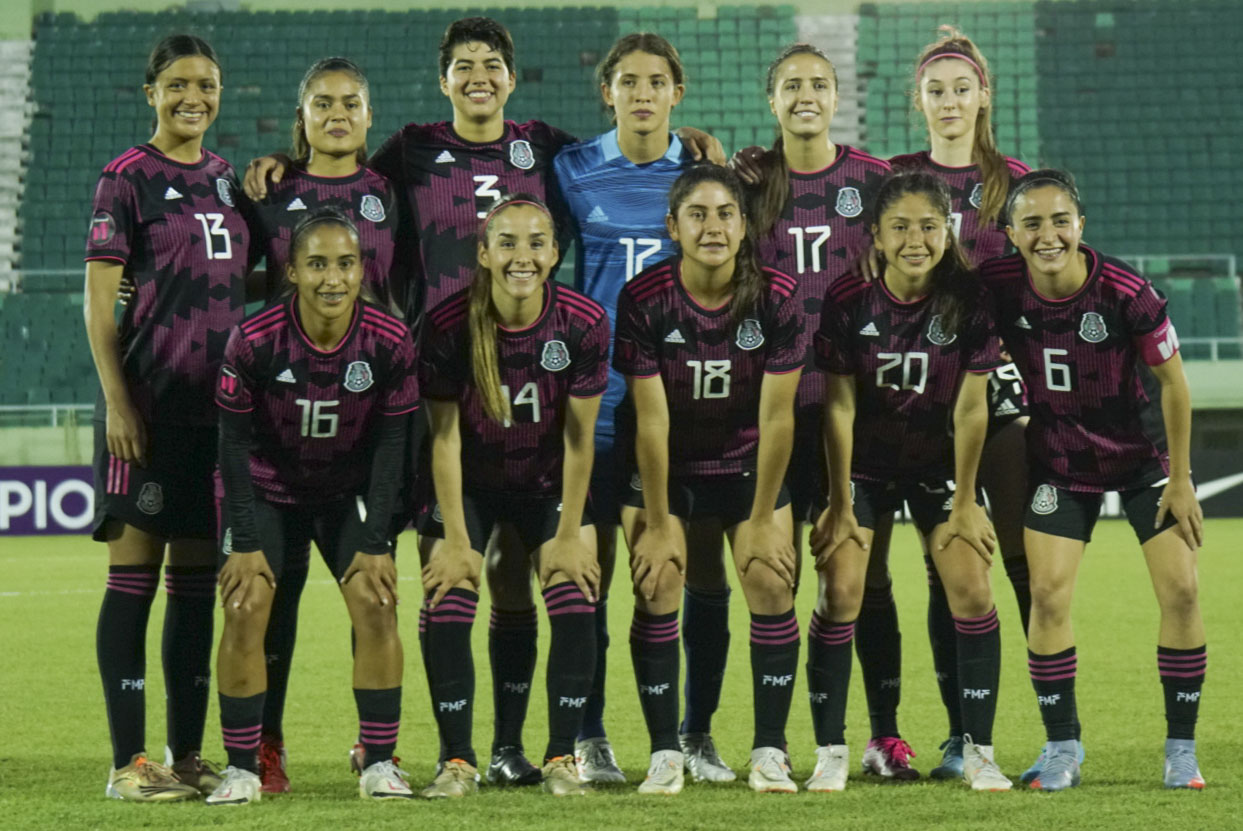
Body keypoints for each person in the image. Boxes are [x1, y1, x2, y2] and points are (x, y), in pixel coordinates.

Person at [855, 29, 1040, 781]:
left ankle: (1032, 729)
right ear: (918, 100)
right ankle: (909, 734)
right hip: (911, 389)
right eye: (936, 90)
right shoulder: (893, 177)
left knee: (1016, 564)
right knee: (927, 566)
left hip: (999, 392)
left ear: (983, 95)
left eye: (962, 87)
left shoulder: (1015, 180)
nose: (950, 101)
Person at [982, 169, 1206, 791]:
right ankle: (1062, 749)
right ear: (1011, 234)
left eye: (1060, 221)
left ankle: (1181, 751)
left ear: (1081, 226)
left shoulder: (1127, 292)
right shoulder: (996, 286)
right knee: (1048, 597)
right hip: (1059, 460)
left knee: (1182, 593)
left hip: (1144, 463)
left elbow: (1175, 386)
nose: (1047, 235)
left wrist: (1182, 481)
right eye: (1032, 224)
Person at [551, 32, 731, 785]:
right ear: (608, 92)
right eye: (628, 81)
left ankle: (695, 734)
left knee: (693, 575)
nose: (642, 93)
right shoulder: (570, 170)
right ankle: (590, 736)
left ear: (676, 94)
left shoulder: (699, 175)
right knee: (591, 577)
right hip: (596, 408)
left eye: (656, 81)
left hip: (681, 408)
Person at [84, 34, 251, 802]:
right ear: (151, 90)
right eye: (179, 83)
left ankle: (185, 755)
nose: (194, 96)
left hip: (212, 415)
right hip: (145, 409)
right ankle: (128, 764)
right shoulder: (125, 178)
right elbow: (97, 303)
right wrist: (118, 400)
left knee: (193, 588)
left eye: (207, 84)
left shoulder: (224, 178)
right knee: (133, 577)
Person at [807, 171, 1010, 793]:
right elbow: (837, 408)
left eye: (929, 225)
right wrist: (840, 503)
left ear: (947, 231)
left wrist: (969, 503)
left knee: (972, 588)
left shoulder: (970, 299)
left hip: (938, 466)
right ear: (875, 234)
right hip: (863, 468)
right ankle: (835, 751)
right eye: (900, 227)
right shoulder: (847, 299)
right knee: (842, 589)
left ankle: (978, 750)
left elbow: (972, 408)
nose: (915, 239)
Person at [208, 208, 418, 805]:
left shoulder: (389, 340)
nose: (333, 278)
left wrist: (376, 541)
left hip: (345, 492)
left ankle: (378, 762)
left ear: (362, 270)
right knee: (246, 608)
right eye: (318, 263)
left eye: (346, 263)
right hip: (267, 488)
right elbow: (233, 447)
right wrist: (245, 540)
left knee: (377, 604)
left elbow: (392, 448)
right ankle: (243, 768)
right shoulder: (252, 339)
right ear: (292, 272)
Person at [613, 165, 804, 795]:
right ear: (672, 226)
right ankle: (668, 751)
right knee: (658, 582)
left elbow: (778, 418)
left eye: (725, 213)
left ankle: (769, 751)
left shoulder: (778, 296)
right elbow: (650, 419)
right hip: (669, 465)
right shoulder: (643, 299)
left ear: (745, 226)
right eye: (697, 213)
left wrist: (761, 517)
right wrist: (662, 522)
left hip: (749, 463)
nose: (712, 226)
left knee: (773, 582)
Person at [418, 195, 609, 798]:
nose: (521, 256)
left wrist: (571, 534)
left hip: (549, 483)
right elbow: (443, 438)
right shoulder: (448, 323)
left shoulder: (583, 322)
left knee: (575, 593)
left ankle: (558, 757)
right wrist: (453, 537)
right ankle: (460, 762)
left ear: (554, 253)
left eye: (535, 243)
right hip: (467, 485)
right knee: (448, 591)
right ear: (483, 253)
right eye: (507, 242)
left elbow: (581, 441)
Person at [243, 55, 399, 794]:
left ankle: (376, 750)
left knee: (372, 591)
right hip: (277, 427)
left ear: (370, 116)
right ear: (300, 116)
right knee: (272, 605)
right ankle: (263, 746)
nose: (337, 113)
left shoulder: (392, 189)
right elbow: (243, 291)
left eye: (350, 102)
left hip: (364, 423)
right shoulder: (268, 194)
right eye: (321, 103)